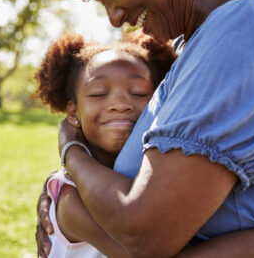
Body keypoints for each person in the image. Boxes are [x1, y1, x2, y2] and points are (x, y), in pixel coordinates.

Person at [36, 0, 254, 257]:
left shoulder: (242, 30)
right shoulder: (185, 46)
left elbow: (145, 235)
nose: (114, 18)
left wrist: (70, 150)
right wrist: (63, 187)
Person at [35, 31, 176, 257]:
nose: (120, 104)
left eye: (138, 92)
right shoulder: (71, 198)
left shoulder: (155, 169)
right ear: (73, 112)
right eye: (99, 93)